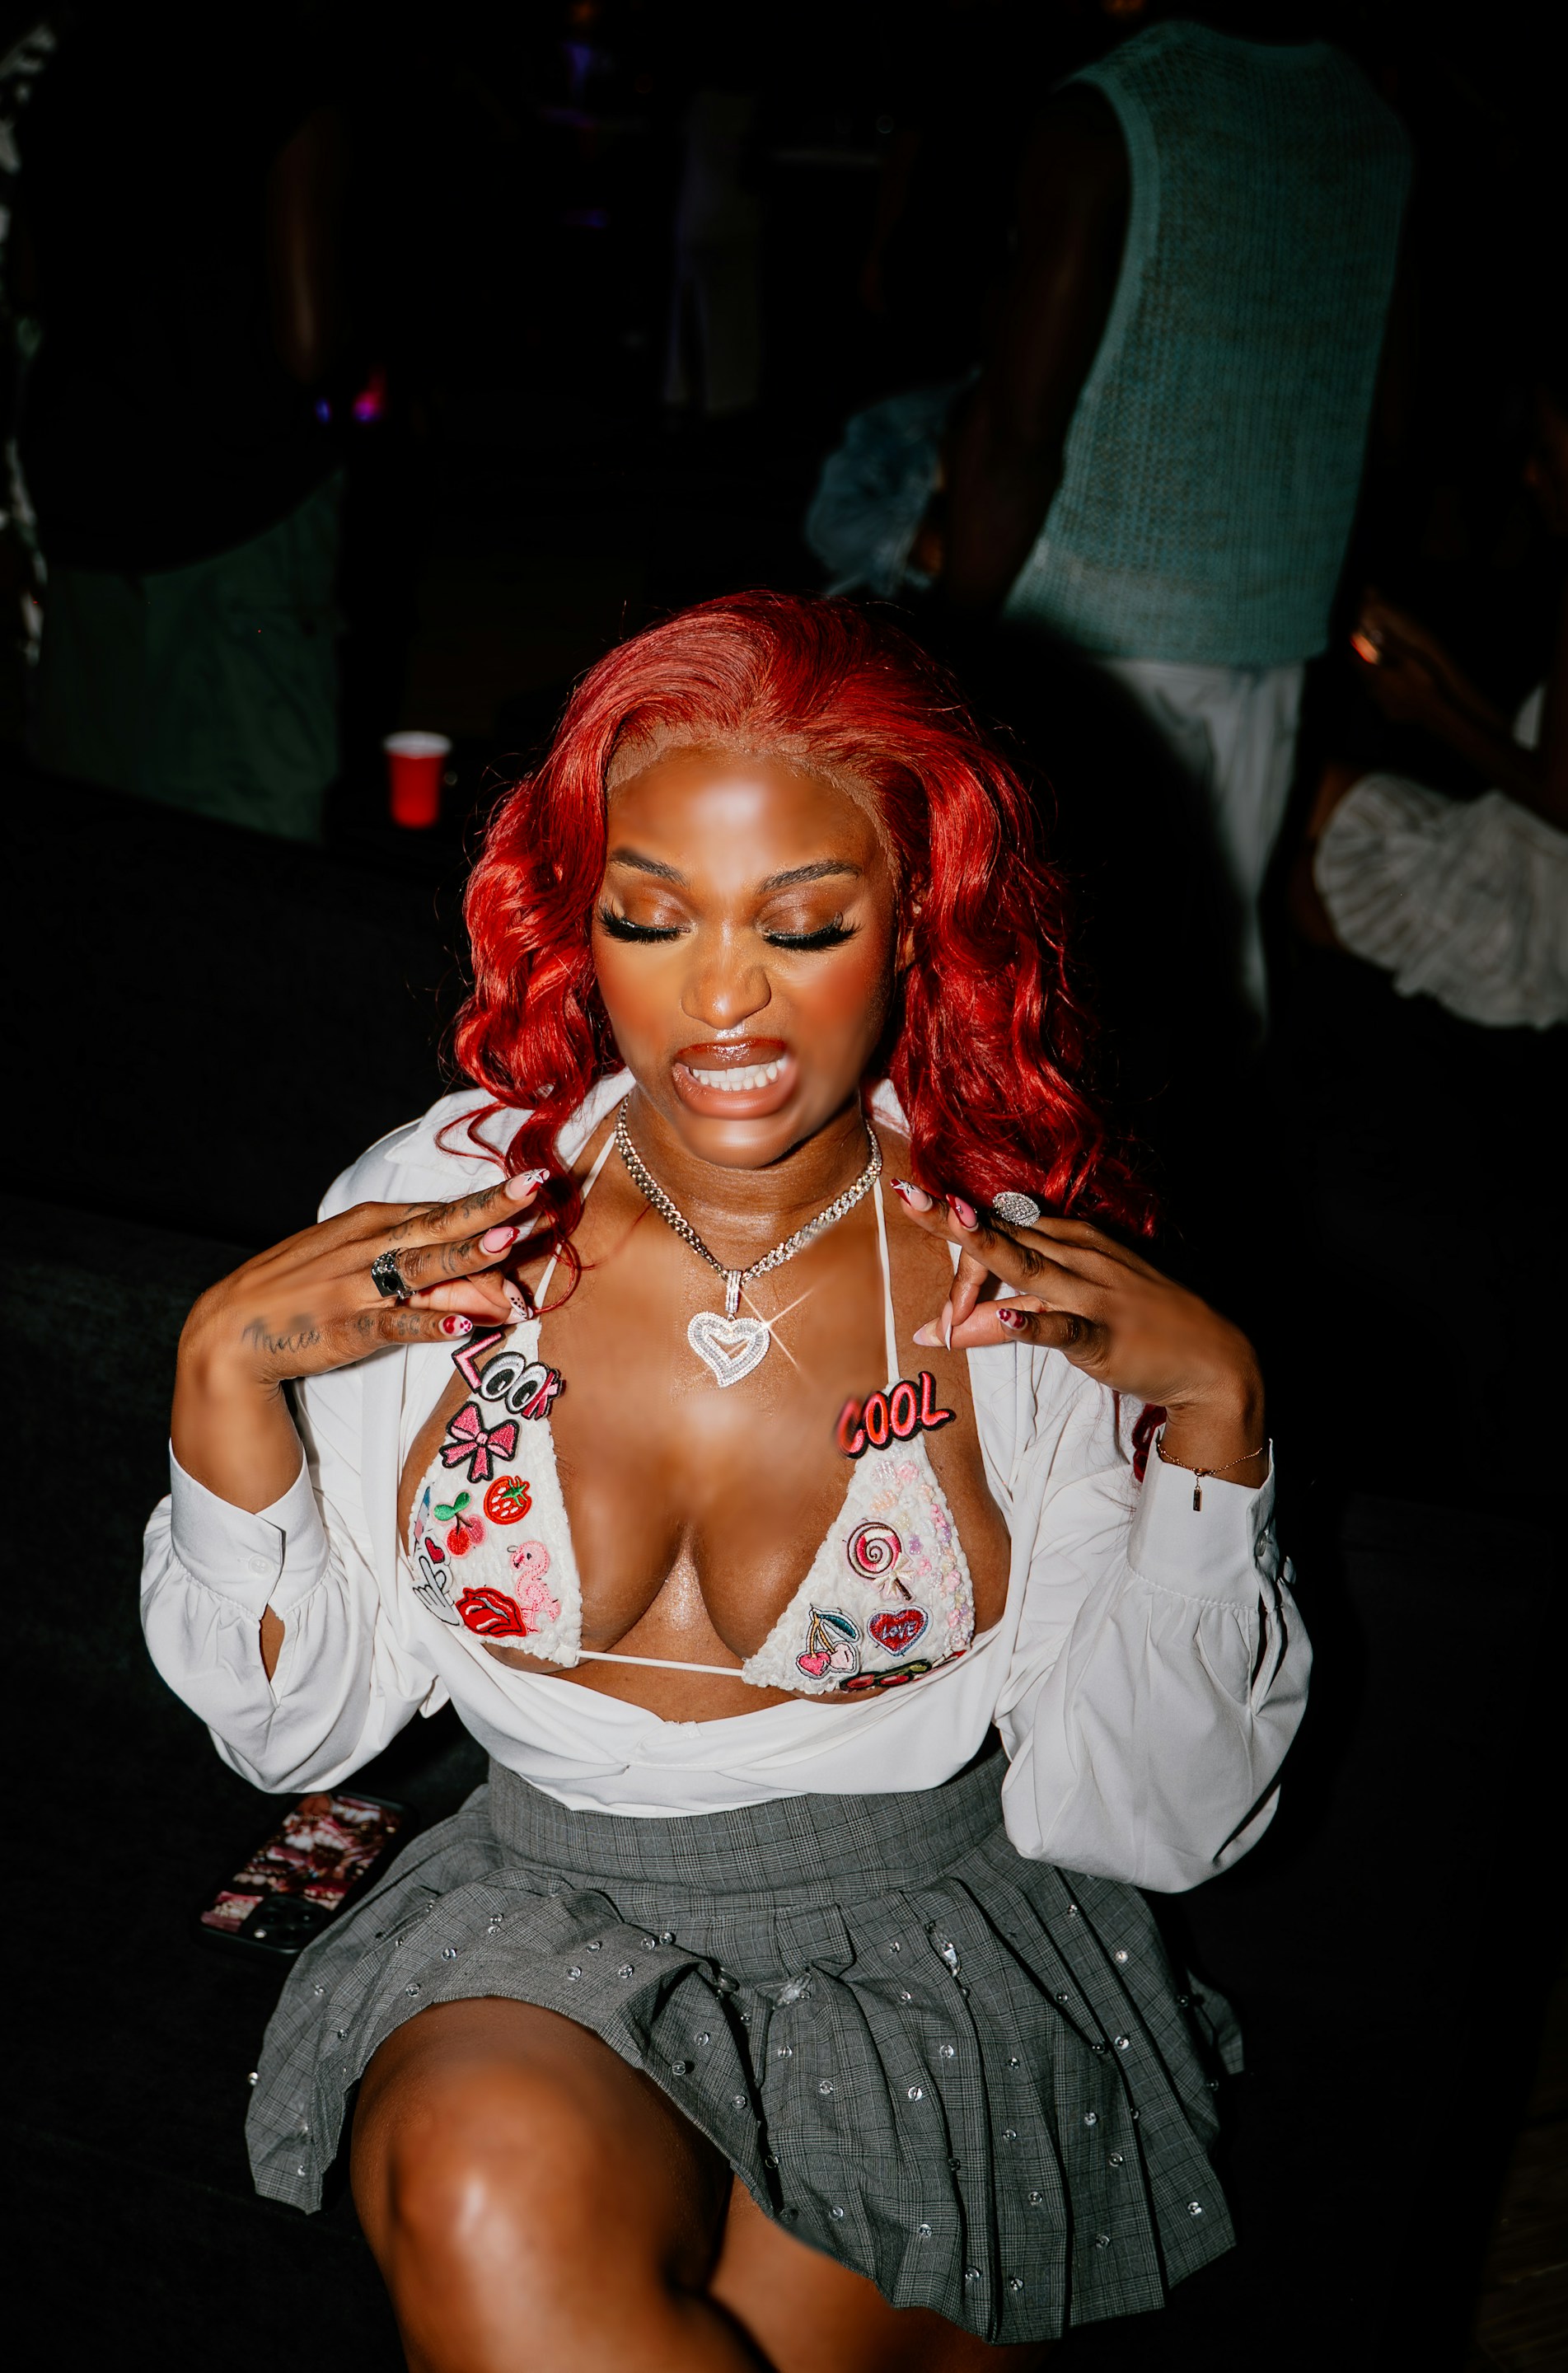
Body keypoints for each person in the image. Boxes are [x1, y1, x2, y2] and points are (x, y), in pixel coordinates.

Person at [143, 593, 1308, 2370]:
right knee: (484, 2189)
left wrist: (1218, 1427)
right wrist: (221, 1379)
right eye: (649, 916)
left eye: (808, 922)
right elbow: (301, 1735)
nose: (720, 1000)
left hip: (932, 1959)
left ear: (922, 921)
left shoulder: (1022, 1287)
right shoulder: (452, 1207)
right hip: (538, 1917)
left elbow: (1141, 1821)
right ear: (578, 926)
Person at [941, 8, 1411, 1016]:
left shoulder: (1118, 112)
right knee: (1214, 965)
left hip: (1093, 626)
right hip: (1277, 619)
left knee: (1059, 978)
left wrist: (950, 641)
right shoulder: (1376, 122)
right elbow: (1381, 402)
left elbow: (1018, 432)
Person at [12, 2, 343, 840]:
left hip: (88, 496)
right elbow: (308, 341)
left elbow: (27, 283)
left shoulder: (76, 60)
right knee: (249, 830)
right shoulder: (277, 57)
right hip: (235, 508)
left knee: (92, 842)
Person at [1292, 359, 1568, 1029]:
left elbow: (1563, 803)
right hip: (1517, 840)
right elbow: (1546, 762)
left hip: (1538, 910)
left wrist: (1428, 708)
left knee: (1295, 870)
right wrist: (1430, 662)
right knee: (1308, 792)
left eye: (1546, 449)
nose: (1531, 476)